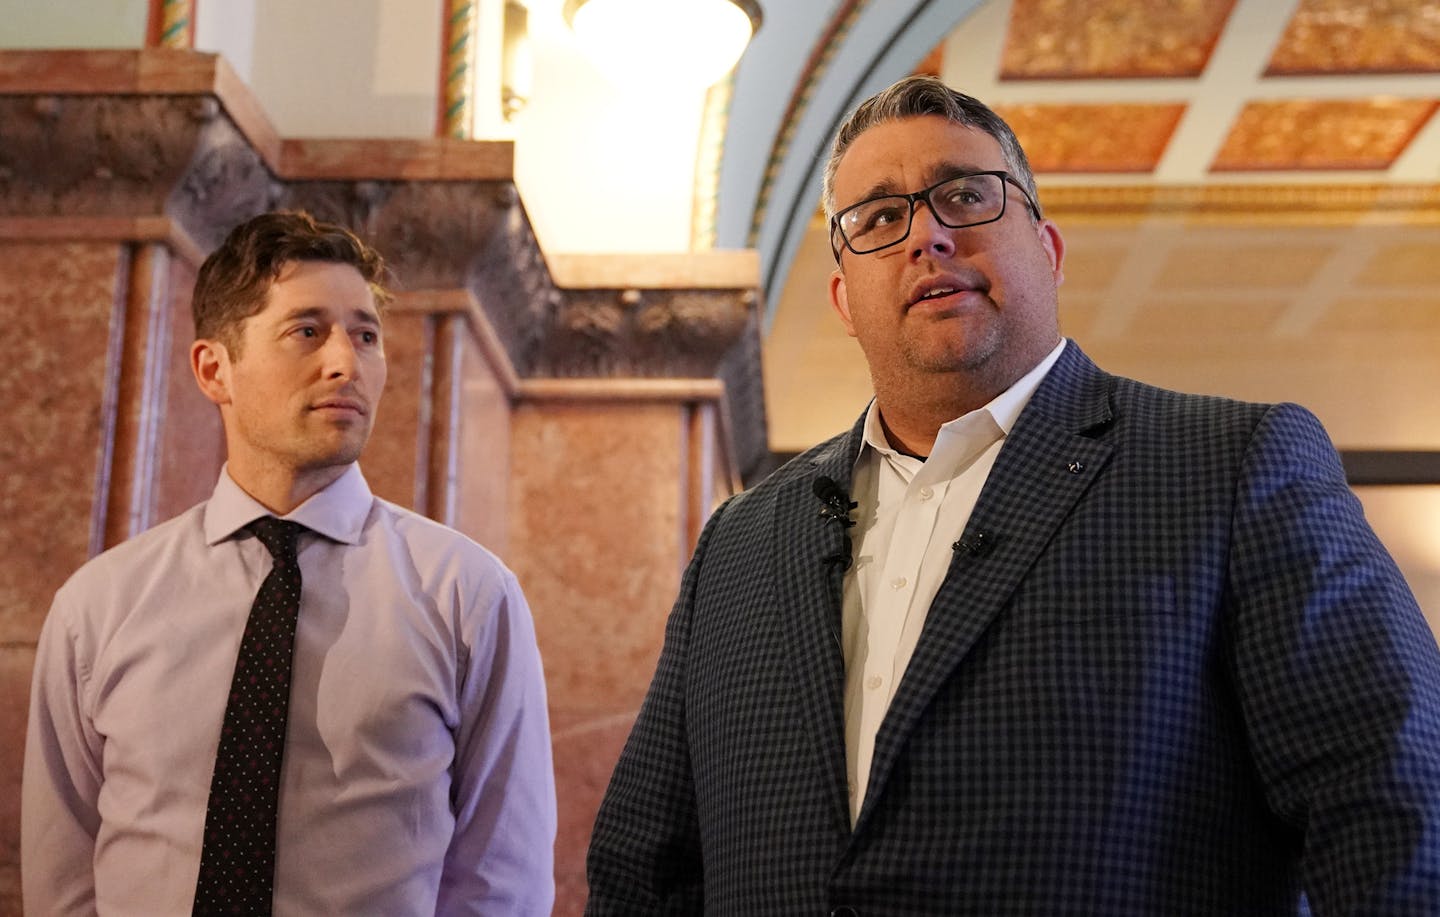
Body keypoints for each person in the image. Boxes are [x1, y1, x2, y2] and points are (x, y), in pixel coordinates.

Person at [585, 75, 1440, 915]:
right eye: (880, 217)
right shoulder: (739, 541)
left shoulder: (1233, 467)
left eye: (964, 196)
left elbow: (1397, 806)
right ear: (845, 300)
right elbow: (644, 871)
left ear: (1050, 250)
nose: (927, 237)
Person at [23, 211, 556, 915]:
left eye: (365, 335)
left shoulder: (467, 595)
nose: (345, 361)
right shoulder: (101, 605)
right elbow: (63, 878)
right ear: (215, 369)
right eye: (307, 331)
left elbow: (501, 878)